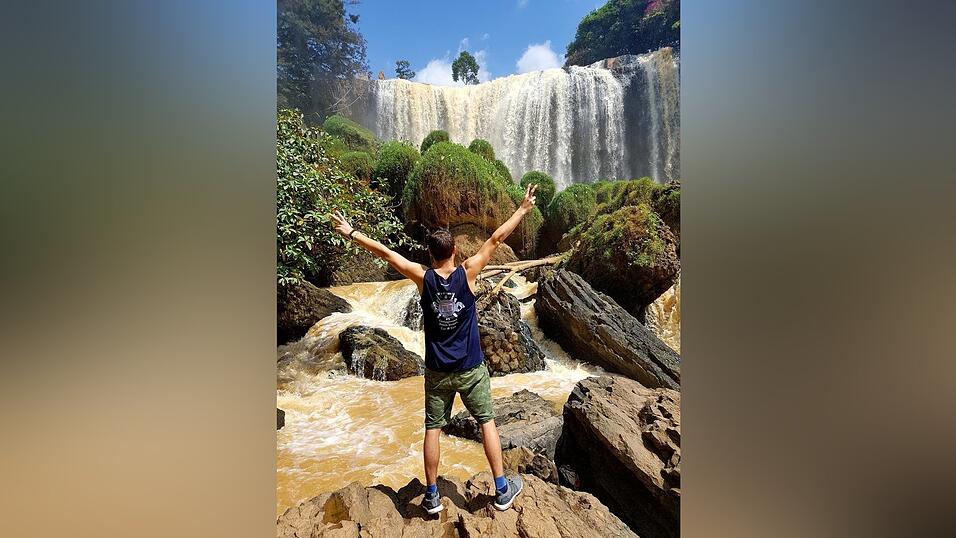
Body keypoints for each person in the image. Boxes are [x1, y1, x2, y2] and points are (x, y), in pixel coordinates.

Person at [330, 183, 538, 514]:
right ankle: (501, 490)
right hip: (471, 368)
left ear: (430, 254)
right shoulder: (469, 273)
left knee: (433, 429)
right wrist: (523, 209)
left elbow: (387, 254)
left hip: (438, 371)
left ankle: (431, 496)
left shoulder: (422, 278)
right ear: (454, 250)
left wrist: (351, 232)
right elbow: (497, 239)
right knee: (486, 423)